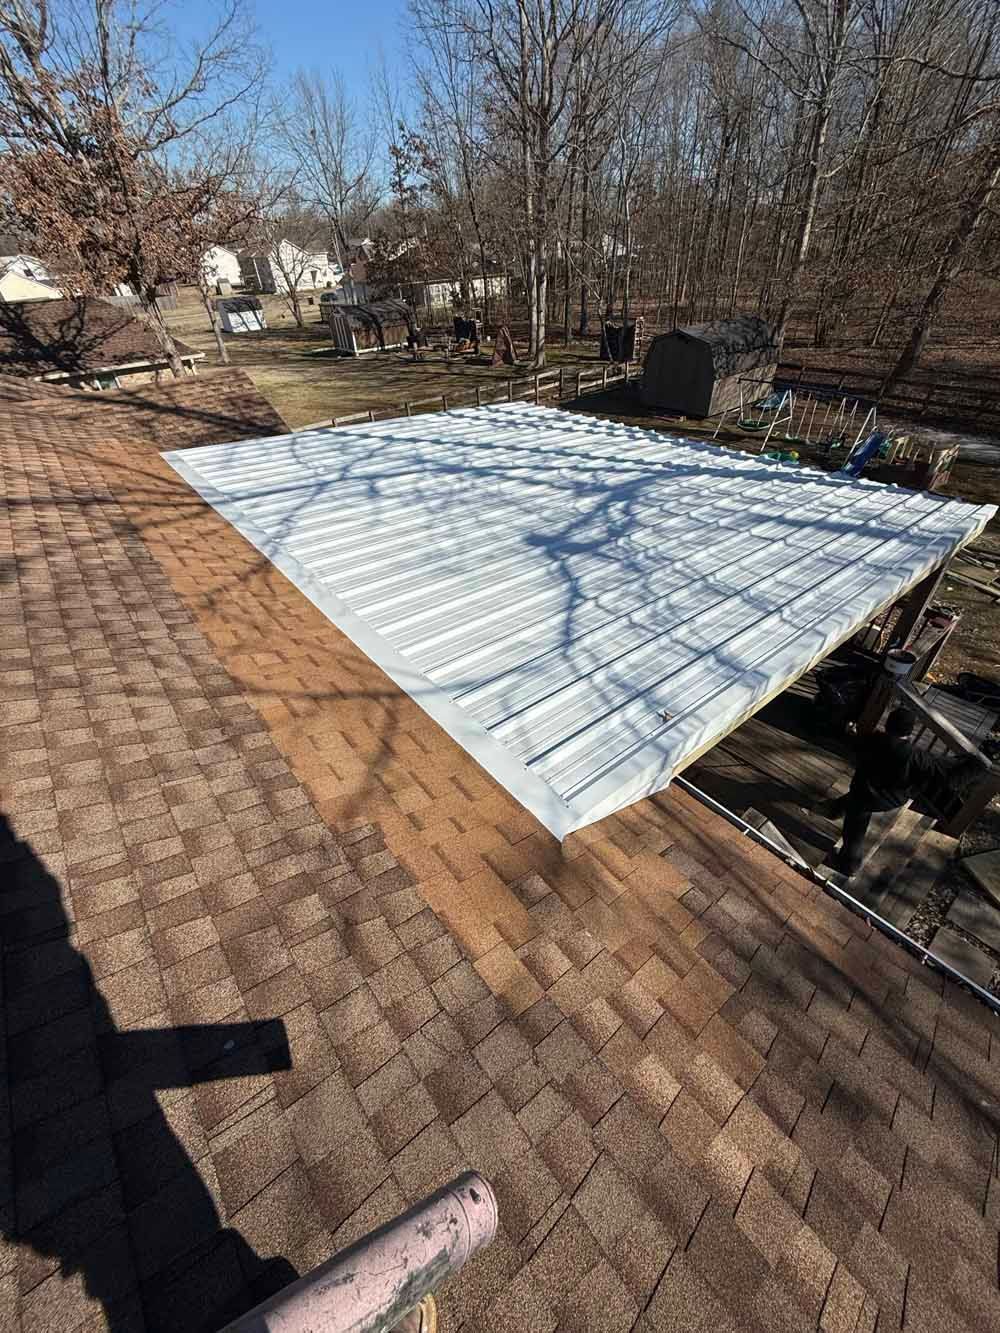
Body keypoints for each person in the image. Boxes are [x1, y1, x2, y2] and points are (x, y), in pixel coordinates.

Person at [818, 707, 991, 877]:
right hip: (891, 800)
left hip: (862, 794)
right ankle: (835, 809)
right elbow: (948, 778)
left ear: (887, 725)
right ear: (909, 732)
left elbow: (851, 741)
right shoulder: (916, 757)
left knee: (854, 831)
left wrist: (849, 730)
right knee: (857, 805)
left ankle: (849, 864)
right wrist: (976, 764)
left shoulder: (871, 739)